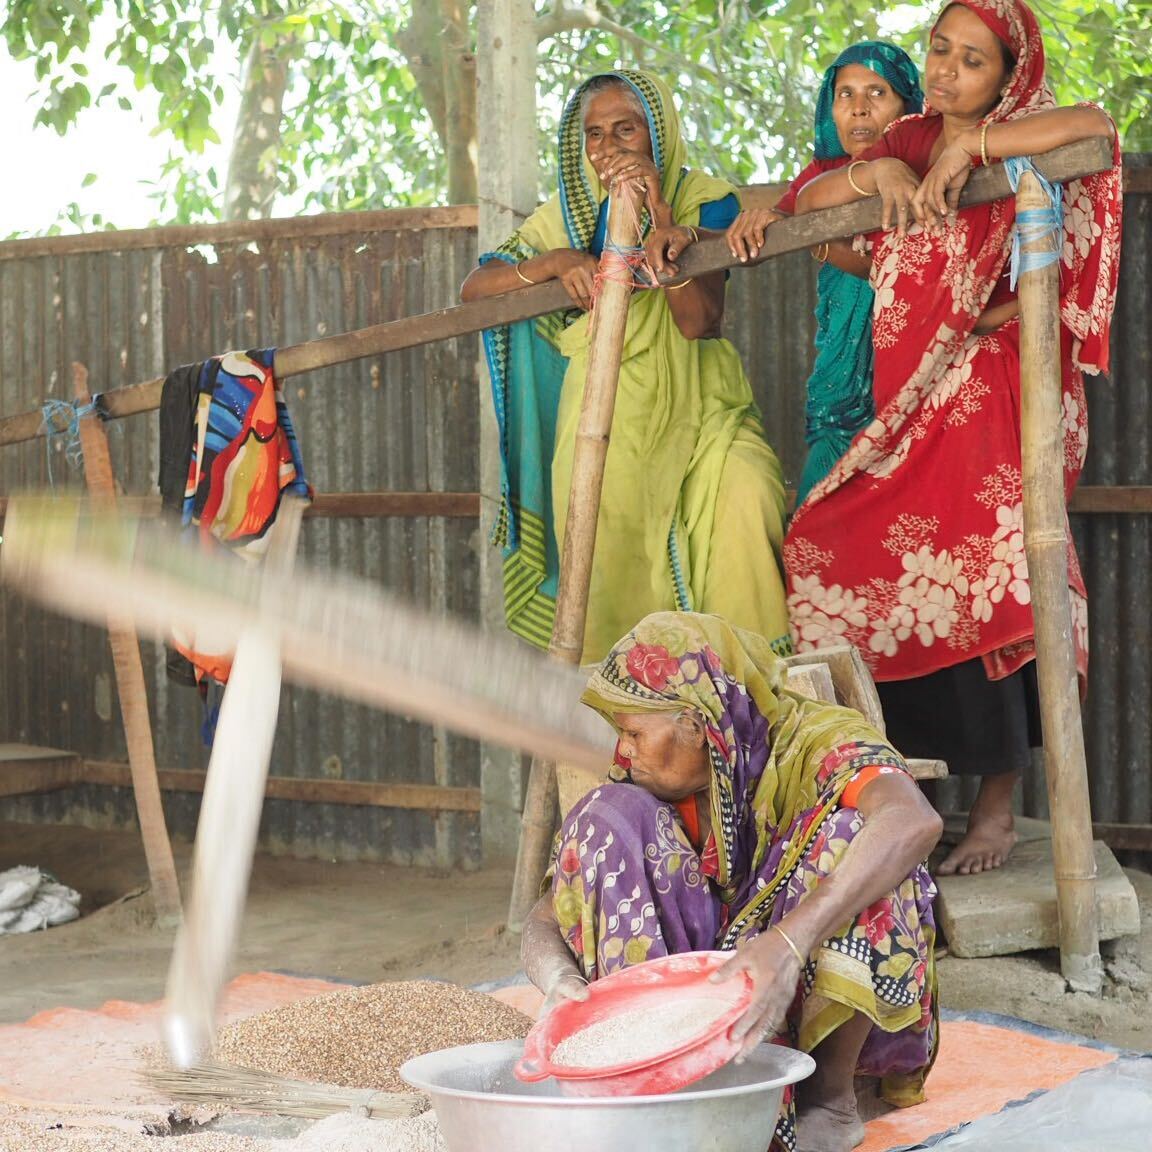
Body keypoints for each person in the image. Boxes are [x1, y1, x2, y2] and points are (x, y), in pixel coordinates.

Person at [784, 0, 1121, 875]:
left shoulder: (1022, 135)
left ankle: (998, 813)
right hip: (911, 400)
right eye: (939, 49)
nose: (945, 70)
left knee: (996, 581)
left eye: (972, 61)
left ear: (1006, 80)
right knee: (839, 552)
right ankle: (907, 799)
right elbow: (807, 198)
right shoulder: (906, 137)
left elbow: (1096, 127)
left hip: (998, 392)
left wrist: (976, 149)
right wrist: (875, 182)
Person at [522, 612, 942, 1152]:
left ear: (698, 728)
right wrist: (558, 978)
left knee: (858, 838)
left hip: (795, 972)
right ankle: (657, 1082)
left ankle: (829, 1101)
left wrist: (789, 942)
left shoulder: (814, 741)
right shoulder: (645, 787)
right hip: (695, 1002)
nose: (621, 752)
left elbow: (914, 821)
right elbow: (545, 913)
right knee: (604, 815)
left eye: (632, 733)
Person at [461, 71, 792, 665]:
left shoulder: (705, 200)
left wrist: (657, 216)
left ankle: (745, 709)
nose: (608, 148)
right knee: (603, 553)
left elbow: (697, 321)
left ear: (656, 134)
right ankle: (631, 731)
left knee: (749, 497)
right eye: (593, 134)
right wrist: (557, 263)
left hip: (707, 414)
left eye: (625, 129)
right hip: (602, 418)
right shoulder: (563, 216)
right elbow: (475, 289)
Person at [727, 42, 924, 506]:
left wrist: (828, 248)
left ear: (907, 106)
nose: (858, 108)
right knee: (818, 510)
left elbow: (920, 273)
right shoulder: (821, 172)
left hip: (913, 369)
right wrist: (762, 218)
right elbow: (784, 214)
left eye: (877, 93)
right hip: (841, 383)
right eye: (845, 94)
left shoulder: (926, 171)